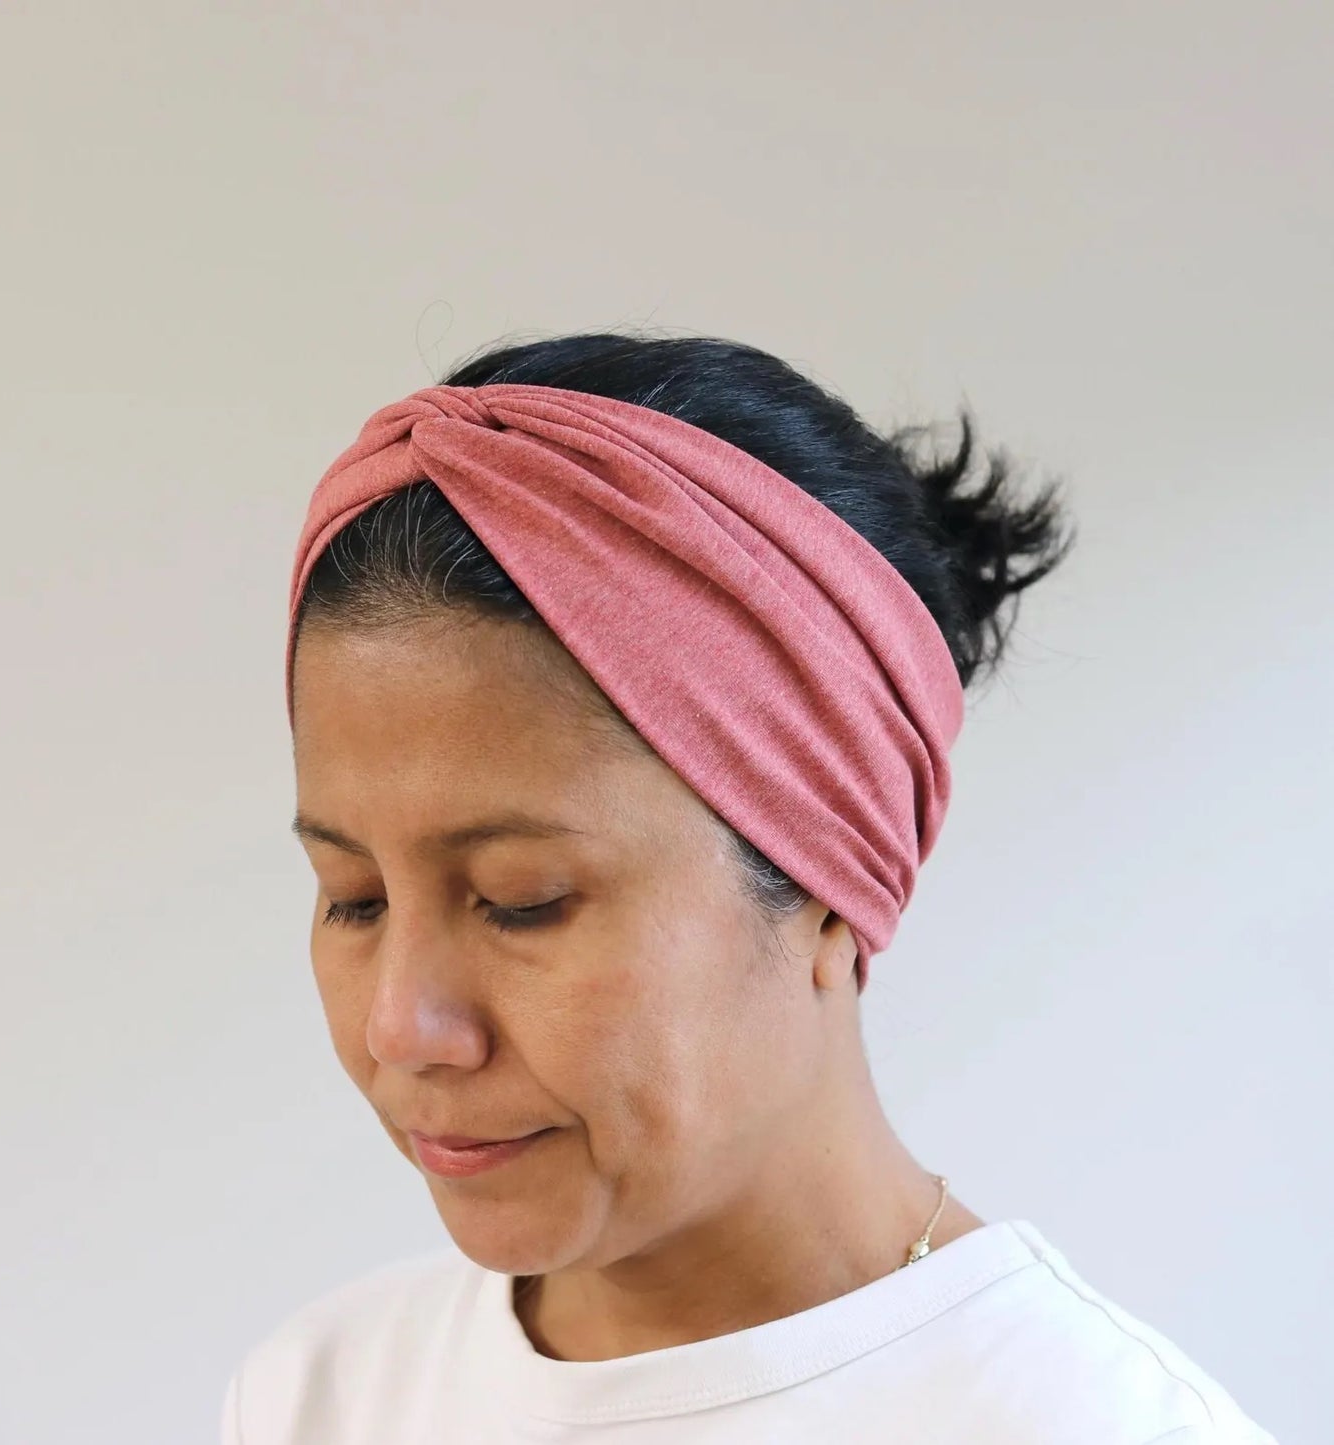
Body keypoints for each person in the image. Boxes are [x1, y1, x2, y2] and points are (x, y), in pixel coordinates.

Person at [220, 332, 1275, 1443]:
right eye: (353, 896)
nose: (403, 1026)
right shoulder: (320, 1394)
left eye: (520, 899)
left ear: (824, 881)